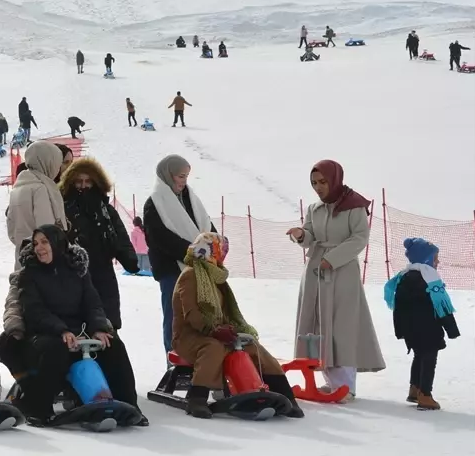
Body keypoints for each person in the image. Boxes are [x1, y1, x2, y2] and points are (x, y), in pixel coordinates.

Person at [14, 225, 138, 424]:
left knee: (113, 345)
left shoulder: (77, 270)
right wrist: (61, 330)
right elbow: (34, 311)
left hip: (80, 332)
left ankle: (129, 407)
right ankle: (38, 409)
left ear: (57, 243)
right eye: (36, 243)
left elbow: (93, 303)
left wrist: (98, 328)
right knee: (55, 349)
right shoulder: (30, 274)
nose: (39, 248)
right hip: (45, 333)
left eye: (45, 242)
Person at [172, 232, 303, 419]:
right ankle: (197, 399)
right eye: (220, 250)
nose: (223, 255)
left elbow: (225, 312)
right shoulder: (191, 275)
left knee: (253, 346)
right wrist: (213, 331)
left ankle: (286, 396)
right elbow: (191, 313)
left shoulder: (215, 278)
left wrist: (232, 329)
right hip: (190, 336)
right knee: (213, 347)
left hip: (217, 332)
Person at [287, 160, 385, 397]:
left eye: (323, 182)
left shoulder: (355, 206)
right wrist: (301, 235)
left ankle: (346, 386)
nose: (318, 187)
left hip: (342, 273)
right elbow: (311, 236)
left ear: (335, 179)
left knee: (341, 326)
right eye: (314, 183)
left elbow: (360, 238)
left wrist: (332, 259)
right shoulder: (315, 209)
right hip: (316, 272)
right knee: (317, 324)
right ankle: (329, 380)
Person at [142, 154, 215, 354]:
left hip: (198, 268)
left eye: (186, 176)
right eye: (181, 176)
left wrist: (215, 242)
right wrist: (192, 251)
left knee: (200, 316)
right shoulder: (155, 203)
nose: (184, 181)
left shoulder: (191, 199)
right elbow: (160, 238)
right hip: (172, 271)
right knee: (176, 317)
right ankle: (174, 359)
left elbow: (206, 225)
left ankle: (200, 359)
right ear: (169, 174)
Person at [59, 156, 139, 330]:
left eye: (88, 181)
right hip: (74, 275)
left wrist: (129, 259)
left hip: (103, 274)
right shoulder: (63, 209)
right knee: (78, 327)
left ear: (97, 182)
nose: (83, 185)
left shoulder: (106, 210)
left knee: (108, 327)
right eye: (78, 181)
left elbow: (120, 236)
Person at [384, 238, 460, 411]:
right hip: (429, 329)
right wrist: (451, 329)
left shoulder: (403, 278)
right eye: (435, 258)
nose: (437, 262)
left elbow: (399, 308)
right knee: (428, 359)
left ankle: (415, 388)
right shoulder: (430, 280)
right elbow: (442, 307)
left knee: (419, 356)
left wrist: (401, 330)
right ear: (426, 259)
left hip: (411, 330)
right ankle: (425, 395)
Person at [6, 142, 67, 267]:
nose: (58, 168)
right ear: (48, 162)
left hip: (22, 257)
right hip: (43, 260)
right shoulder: (42, 189)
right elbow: (47, 230)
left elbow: (11, 232)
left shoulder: (17, 188)